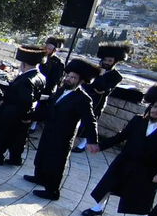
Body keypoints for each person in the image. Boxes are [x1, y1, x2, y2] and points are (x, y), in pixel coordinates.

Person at [80, 85, 157, 216]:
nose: (156, 110)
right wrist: (100, 146)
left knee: (143, 199)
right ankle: (97, 208)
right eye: (155, 106)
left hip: (148, 169)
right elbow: (121, 136)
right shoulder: (138, 120)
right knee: (108, 186)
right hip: (124, 161)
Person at [25, 58, 100, 201]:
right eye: (68, 76)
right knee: (42, 155)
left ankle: (52, 191)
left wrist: (93, 141)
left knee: (56, 163)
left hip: (63, 136)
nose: (68, 79)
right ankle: (39, 177)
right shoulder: (61, 90)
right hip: (49, 130)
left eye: (73, 78)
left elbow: (90, 120)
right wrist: (31, 117)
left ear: (80, 81)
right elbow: (49, 108)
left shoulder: (83, 99)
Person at [0, 46, 47, 166]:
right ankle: (15, 159)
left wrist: (18, 111)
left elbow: (25, 100)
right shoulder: (41, 76)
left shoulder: (26, 80)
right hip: (24, 114)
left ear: (24, 64)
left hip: (13, 113)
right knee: (18, 138)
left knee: (4, 135)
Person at [74, 42, 130, 150]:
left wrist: (101, 75)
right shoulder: (94, 69)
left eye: (110, 61)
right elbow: (86, 84)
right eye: (105, 60)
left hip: (98, 101)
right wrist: (95, 86)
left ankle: (83, 144)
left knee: (90, 121)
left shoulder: (116, 76)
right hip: (85, 97)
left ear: (114, 62)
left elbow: (102, 88)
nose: (106, 63)